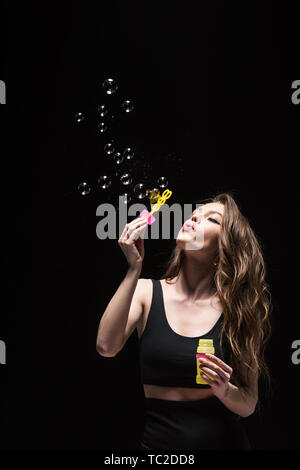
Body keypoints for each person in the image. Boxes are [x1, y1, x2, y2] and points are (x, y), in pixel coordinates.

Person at [96, 192, 272, 450]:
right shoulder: (145, 292)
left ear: (225, 246)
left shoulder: (238, 310)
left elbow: (247, 404)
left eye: (211, 219)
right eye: (192, 216)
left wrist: (224, 390)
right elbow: (106, 346)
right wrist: (134, 268)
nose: (192, 220)